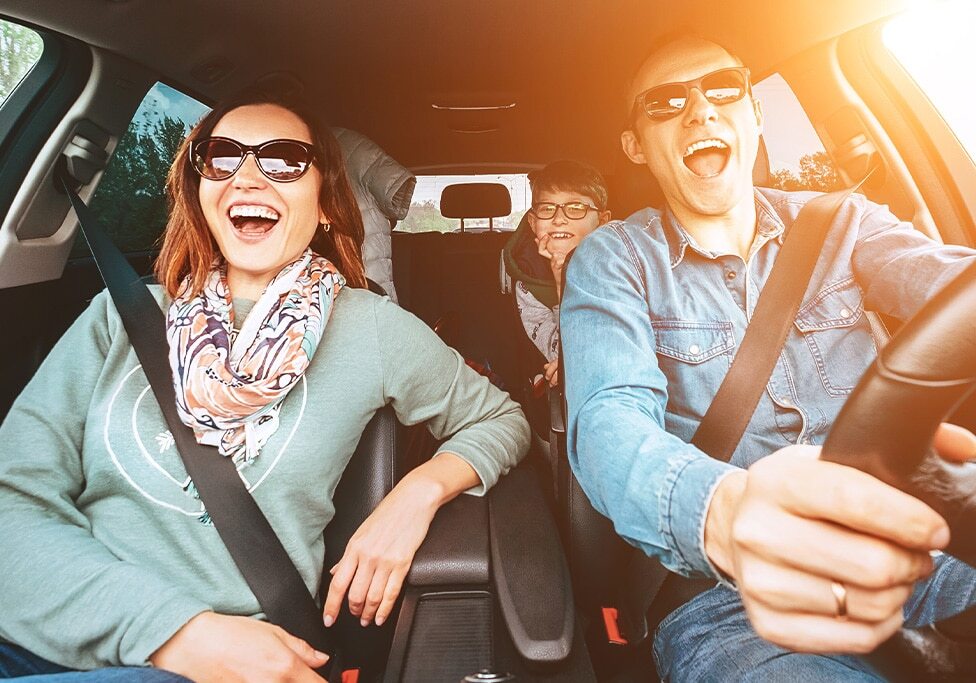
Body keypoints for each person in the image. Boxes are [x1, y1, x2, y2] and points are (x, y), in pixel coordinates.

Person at [0, 91, 529, 682]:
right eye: (222, 158)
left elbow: (502, 419)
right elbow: (12, 500)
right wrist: (169, 629)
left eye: (284, 160)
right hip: (50, 625)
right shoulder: (118, 316)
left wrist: (417, 494)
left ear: (327, 202)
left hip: (232, 660)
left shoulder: (373, 328)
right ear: (201, 193)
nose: (248, 177)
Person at [560, 33, 976, 680]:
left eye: (723, 89)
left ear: (753, 111)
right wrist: (728, 512)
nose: (700, 110)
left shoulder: (844, 222)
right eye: (667, 102)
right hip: (732, 599)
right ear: (635, 145)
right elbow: (608, 424)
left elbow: (954, 286)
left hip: (910, 540)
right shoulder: (614, 260)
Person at [503, 160, 610, 388]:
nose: (559, 219)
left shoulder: (621, 267)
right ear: (533, 222)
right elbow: (558, 352)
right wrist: (562, 281)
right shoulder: (528, 280)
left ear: (602, 221)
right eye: (547, 209)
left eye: (575, 208)